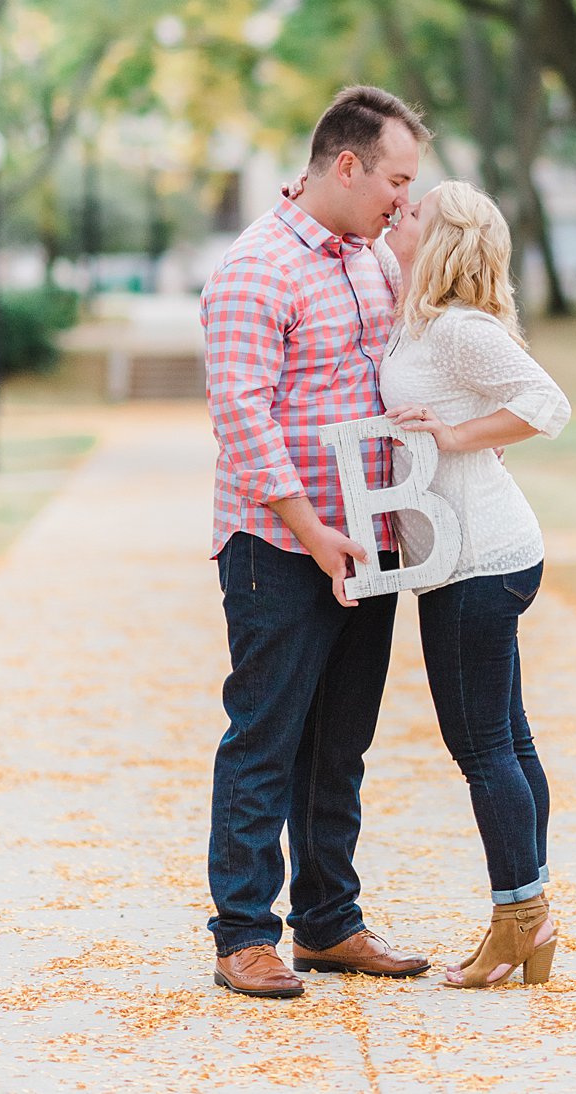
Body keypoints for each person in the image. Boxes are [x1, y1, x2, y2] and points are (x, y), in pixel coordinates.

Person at [201, 85, 432, 999]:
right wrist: (313, 530)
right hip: (278, 547)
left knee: (341, 747)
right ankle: (244, 934)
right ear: (346, 165)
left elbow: (381, 370)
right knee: (265, 739)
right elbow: (242, 422)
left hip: (365, 542)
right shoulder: (258, 269)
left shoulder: (371, 261)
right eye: (397, 182)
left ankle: (329, 924)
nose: (404, 204)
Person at [382, 180, 569, 989]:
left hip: (477, 561)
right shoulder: (423, 321)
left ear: (444, 237)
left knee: (483, 745)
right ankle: (531, 910)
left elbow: (547, 402)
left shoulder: (459, 330)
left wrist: (458, 434)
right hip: (468, 556)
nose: (399, 214)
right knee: (510, 738)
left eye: (413, 210)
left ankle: (518, 917)